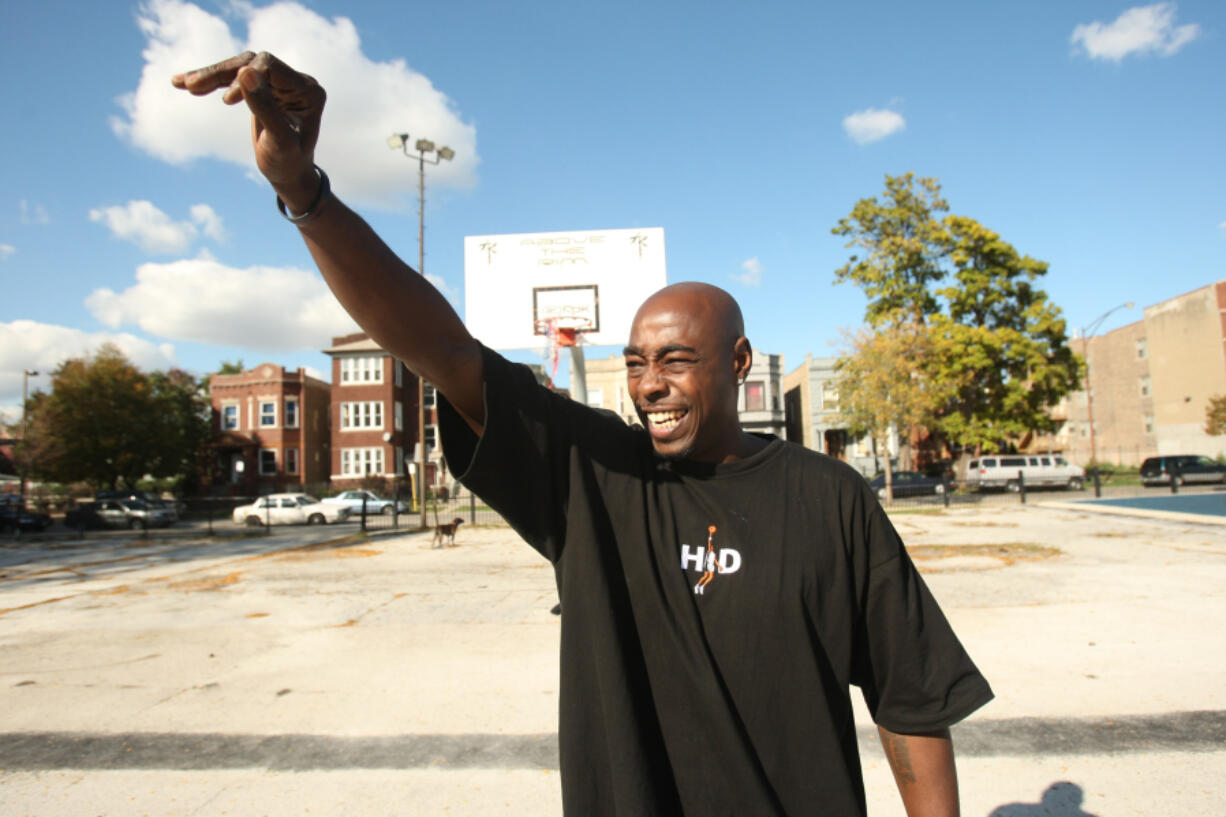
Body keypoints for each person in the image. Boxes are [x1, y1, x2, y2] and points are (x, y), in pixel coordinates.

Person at [175, 51, 993, 816]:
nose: (649, 385)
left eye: (675, 359)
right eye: (636, 361)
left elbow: (910, 698)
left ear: (737, 360)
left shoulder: (832, 499)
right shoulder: (591, 473)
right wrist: (304, 194)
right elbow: (443, 347)